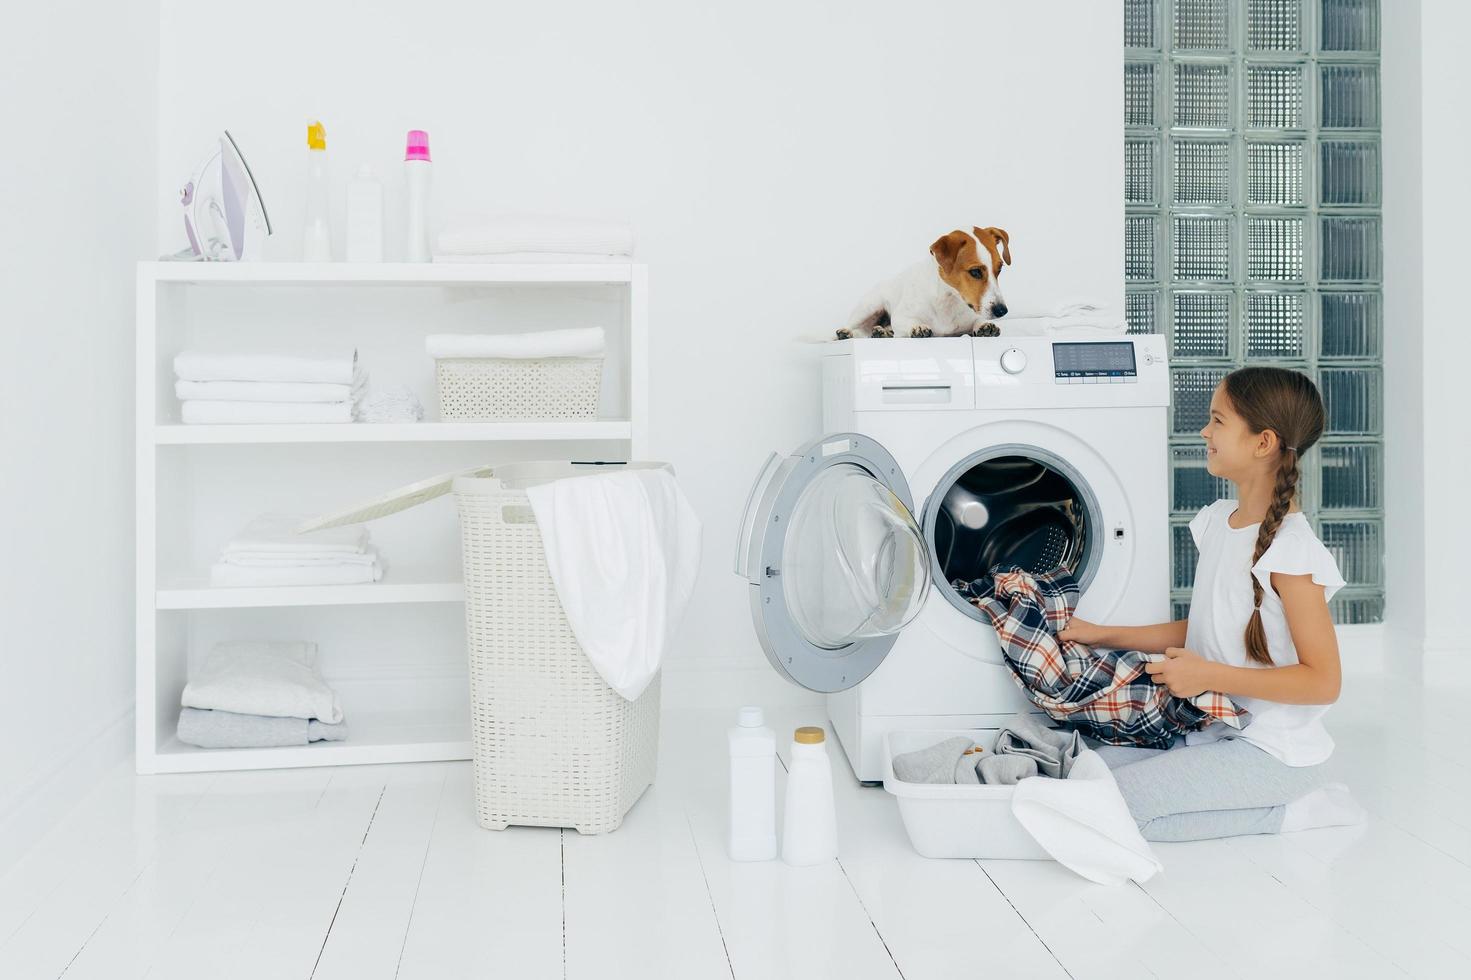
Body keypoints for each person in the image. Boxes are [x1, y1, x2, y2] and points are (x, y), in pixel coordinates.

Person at [1059, 366, 1364, 841]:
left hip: (1273, 754)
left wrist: (1207, 676)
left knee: (1107, 808)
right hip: (1217, 730)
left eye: (1218, 420)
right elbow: (1208, 626)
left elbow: (1324, 682)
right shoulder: (1221, 522)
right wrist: (1101, 634)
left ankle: (1300, 811)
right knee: (1083, 768)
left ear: (1262, 443)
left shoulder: (1293, 553)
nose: (1204, 431)